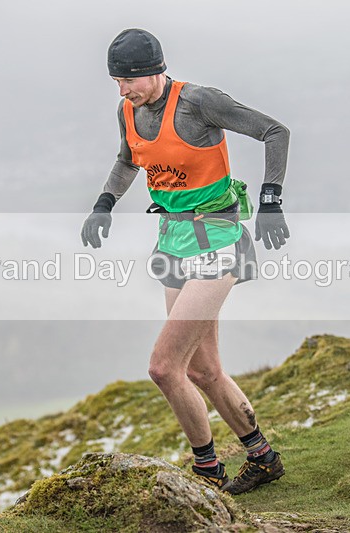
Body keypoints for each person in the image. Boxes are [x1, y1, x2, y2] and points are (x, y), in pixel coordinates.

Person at [81, 28, 290, 495]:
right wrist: (103, 203)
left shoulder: (199, 102)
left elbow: (275, 132)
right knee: (201, 370)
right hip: (173, 240)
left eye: (129, 80)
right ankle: (263, 458)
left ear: (155, 70)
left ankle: (207, 474)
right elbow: (127, 159)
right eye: (116, 81)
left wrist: (271, 201)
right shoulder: (128, 111)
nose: (122, 90)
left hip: (218, 239)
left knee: (163, 367)